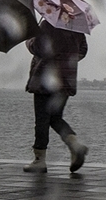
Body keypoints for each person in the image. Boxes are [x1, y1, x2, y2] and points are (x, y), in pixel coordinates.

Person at [23, 20, 89, 173]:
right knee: (55, 117)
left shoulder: (47, 24)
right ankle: (75, 145)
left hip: (45, 79)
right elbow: (83, 50)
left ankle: (39, 160)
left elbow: (38, 48)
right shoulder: (76, 26)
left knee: (42, 119)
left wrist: (29, 40)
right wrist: (66, 58)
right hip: (66, 80)